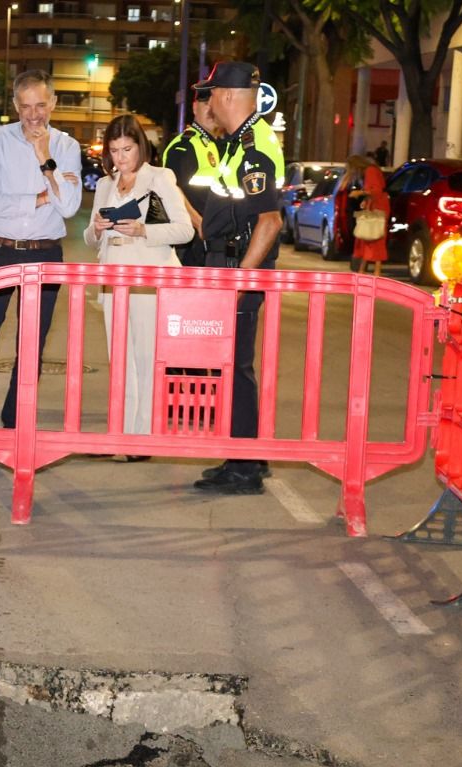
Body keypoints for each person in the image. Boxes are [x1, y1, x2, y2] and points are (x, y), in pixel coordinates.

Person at [0, 68, 81, 459]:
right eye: (25, 107)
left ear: (53, 103)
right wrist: (41, 198)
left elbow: (70, 206)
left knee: (31, 346)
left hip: (44, 252)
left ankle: (13, 428)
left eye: (41, 106)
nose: (34, 115)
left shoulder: (67, 146)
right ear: (15, 106)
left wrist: (46, 161)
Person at [190, 61, 284, 496]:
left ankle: (244, 467)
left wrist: (241, 280)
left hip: (237, 270)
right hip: (227, 265)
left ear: (226, 96)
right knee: (232, 366)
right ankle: (245, 455)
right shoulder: (239, 143)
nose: (207, 102)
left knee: (235, 366)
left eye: (209, 94)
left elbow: (269, 221)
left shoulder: (254, 147)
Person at [85, 114, 193, 445]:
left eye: (128, 149)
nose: (121, 157)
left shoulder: (160, 178)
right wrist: (98, 229)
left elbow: (185, 229)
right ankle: (119, 431)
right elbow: (90, 238)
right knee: (119, 358)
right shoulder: (104, 185)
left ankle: (143, 435)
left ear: (140, 147)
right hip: (113, 275)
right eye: (115, 150)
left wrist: (143, 229)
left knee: (147, 357)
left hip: (148, 277)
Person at [161, 88, 222, 268]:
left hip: (205, 240)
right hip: (188, 241)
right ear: (195, 108)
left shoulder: (212, 144)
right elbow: (172, 191)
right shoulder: (184, 146)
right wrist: (200, 224)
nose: (211, 110)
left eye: (214, 105)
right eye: (206, 105)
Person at [345, 153, 388, 277]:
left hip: (378, 206)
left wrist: (359, 193)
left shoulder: (370, 171)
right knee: (369, 235)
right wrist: (365, 199)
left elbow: (376, 190)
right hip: (376, 204)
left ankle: (375, 271)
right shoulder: (372, 170)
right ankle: (364, 269)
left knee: (374, 236)